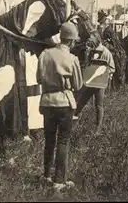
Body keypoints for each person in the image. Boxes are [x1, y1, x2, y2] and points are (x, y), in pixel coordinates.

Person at [36, 21, 83, 191]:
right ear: (71, 41)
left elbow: (38, 79)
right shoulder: (72, 59)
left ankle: (46, 175)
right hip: (64, 102)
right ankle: (59, 181)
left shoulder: (45, 54)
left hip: (47, 102)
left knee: (49, 139)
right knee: (63, 140)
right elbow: (78, 85)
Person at [74, 32, 115, 135]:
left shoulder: (106, 52)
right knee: (81, 102)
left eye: (91, 39)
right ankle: (74, 123)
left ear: (97, 39)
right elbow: (87, 66)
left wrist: (105, 75)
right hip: (90, 82)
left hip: (100, 84)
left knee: (99, 105)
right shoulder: (90, 51)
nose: (89, 41)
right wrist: (87, 55)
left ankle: (98, 128)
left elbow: (112, 67)